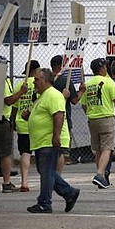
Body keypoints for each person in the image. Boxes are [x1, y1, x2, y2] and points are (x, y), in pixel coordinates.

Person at [25, 68, 80, 213]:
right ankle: (69, 192)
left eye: (37, 80)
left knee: (47, 171)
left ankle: (44, 203)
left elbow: (58, 116)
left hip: (49, 141)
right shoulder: (43, 96)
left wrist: (55, 136)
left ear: (45, 80)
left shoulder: (53, 95)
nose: (34, 82)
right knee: (45, 170)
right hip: (42, 141)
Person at [80, 58, 115, 188]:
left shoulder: (88, 84)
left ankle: (101, 177)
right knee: (107, 148)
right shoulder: (108, 82)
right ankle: (99, 173)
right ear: (102, 68)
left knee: (97, 150)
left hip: (92, 119)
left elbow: (84, 104)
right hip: (106, 117)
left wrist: (91, 112)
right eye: (105, 67)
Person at [11, 60, 40, 192]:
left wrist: (13, 122)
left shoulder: (19, 85)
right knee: (41, 153)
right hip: (38, 122)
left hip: (22, 123)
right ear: (36, 71)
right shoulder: (40, 84)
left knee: (25, 153)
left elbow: (15, 107)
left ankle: (24, 181)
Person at [0, 56, 20, 192]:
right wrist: (21, 92)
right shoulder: (2, 81)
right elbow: (9, 100)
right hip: (1, 120)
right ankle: (6, 182)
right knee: (5, 153)